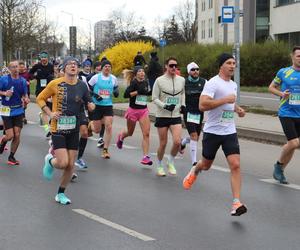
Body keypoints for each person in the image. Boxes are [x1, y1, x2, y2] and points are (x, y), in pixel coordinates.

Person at [182, 53, 247, 216]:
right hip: (212, 131)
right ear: (221, 66)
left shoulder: (233, 85)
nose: (232, 66)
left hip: (229, 131)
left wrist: (237, 109)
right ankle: (194, 170)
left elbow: (229, 103)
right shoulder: (212, 83)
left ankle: (236, 202)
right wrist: (225, 100)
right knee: (206, 165)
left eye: (234, 63)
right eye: (229, 63)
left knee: (236, 164)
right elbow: (202, 105)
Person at [36, 56, 95, 205]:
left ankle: (60, 194)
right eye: (69, 64)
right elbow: (40, 98)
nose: (73, 66)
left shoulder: (82, 85)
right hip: (59, 128)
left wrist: (91, 105)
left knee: (70, 165)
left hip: (74, 129)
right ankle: (50, 160)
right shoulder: (56, 84)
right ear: (64, 69)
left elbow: (89, 101)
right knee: (62, 163)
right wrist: (49, 113)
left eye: (75, 64)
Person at [268, 45, 300, 184]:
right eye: (299, 56)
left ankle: (280, 170)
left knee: (292, 145)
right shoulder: (284, 72)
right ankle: (278, 166)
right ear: (292, 56)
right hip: (286, 112)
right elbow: (271, 87)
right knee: (293, 143)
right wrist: (282, 94)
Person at [152, 57, 185, 176]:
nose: (174, 68)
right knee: (163, 143)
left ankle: (170, 161)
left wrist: (183, 105)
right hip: (162, 115)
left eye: (175, 65)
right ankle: (160, 165)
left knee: (177, 142)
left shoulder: (181, 80)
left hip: (175, 115)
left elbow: (182, 93)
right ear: (166, 66)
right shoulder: (159, 80)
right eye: (171, 65)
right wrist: (165, 106)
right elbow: (154, 98)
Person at [116, 66, 152, 165]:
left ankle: (145, 157)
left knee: (146, 134)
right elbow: (126, 95)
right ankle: (121, 137)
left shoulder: (146, 82)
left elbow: (147, 92)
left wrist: (149, 93)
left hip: (143, 111)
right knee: (130, 133)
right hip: (133, 111)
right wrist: (137, 92)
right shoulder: (134, 83)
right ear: (136, 74)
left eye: (143, 71)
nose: (142, 73)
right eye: (139, 71)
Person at [0, 60, 30, 165]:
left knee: (17, 135)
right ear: (9, 69)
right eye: (13, 67)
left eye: (16, 66)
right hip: (6, 110)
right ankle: (3, 141)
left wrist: (26, 99)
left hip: (18, 110)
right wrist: (4, 93)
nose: (15, 69)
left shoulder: (22, 81)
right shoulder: (3, 79)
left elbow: (24, 94)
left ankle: (11, 157)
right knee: (10, 136)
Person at [88, 60, 119, 159]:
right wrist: (95, 95)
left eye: (109, 66)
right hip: (97, 105)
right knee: (97, 130)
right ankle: (90, 125)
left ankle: (105, 150)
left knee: (109, 126)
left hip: (108, 105)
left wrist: (116, 91)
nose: (107, 68)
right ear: (102, 67)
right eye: (105, 66)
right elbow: (87, 89)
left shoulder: (113, 78)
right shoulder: (96, 78)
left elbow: (115, 88)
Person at [180, 62, 206, 166]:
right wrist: (180, 106)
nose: (195, 71)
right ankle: (194, 162)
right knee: (194, 135)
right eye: (193, 69)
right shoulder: (184, 82)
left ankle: (183, 142)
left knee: (196, 137)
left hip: (199, 112)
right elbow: (180, 94)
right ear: (189, 72)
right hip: (188, 112)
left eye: (197, 69)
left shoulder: (204, 82)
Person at [29, 51, 54, 137]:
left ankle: (46, 119)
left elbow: (54, 76)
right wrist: (35, 77)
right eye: (42, 58)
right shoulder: (37, 66)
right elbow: (30, 73)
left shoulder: (51, 66)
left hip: (49, 89)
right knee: (44, 110)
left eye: (45, 57)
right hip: (40, 90)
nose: (43, 59)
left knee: (51, 109)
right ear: (41, 59)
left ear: (47, 58)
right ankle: (48, 129)